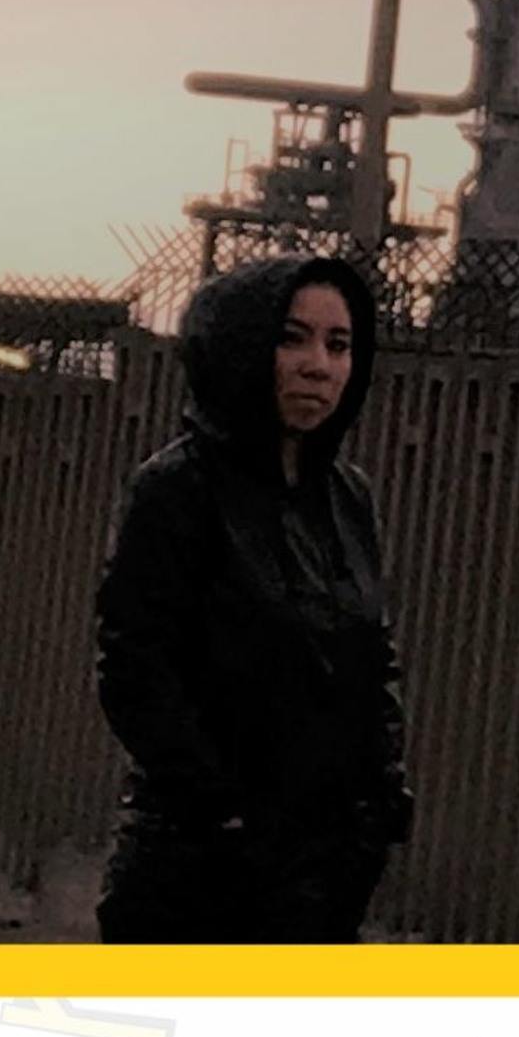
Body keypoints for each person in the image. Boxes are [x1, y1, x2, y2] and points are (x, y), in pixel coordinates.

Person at [92, 251, 412, 944]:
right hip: (193, 876)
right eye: (292, 339)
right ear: (241, 347)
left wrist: (381, 799)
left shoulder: (347, 498)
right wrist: (223, 814)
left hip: (322, 878)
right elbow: (134, 670)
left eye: (339, 345)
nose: (318, 366)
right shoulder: (177, 491)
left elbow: (371, 656)